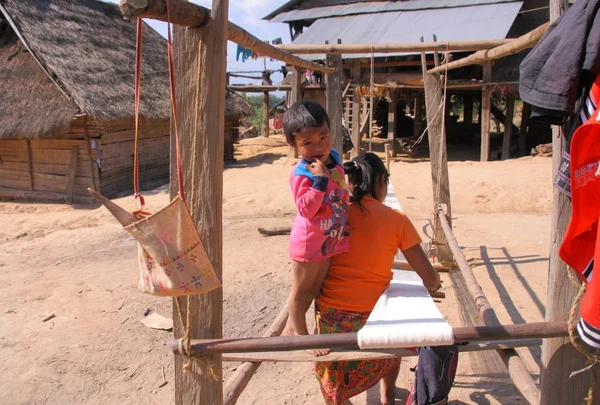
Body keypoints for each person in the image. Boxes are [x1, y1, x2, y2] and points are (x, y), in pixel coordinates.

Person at [299, 152, 440, 405]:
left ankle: (338, 397)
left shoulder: (335, 215)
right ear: (382, 183)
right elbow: (431, 280)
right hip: (376, 321)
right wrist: (430, 283)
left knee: (335, 356)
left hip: (332, 321)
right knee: (395, 332)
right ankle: (387, 394)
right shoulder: (397, 221)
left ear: (349, 182)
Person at [282, 100, 351, 349]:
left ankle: (294, 328)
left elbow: (340, 184)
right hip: (309, 241)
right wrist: (319, 181)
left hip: (329, 237)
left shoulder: (333, 157)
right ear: (294, 145)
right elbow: (306, 209)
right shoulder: (302, 174)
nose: (318, 147)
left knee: (316, 289)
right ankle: (302, 338)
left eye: (323, 137)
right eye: (307, 143)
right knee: (301, 292)